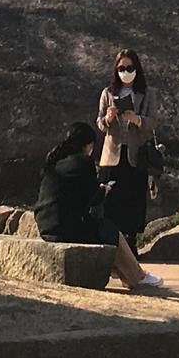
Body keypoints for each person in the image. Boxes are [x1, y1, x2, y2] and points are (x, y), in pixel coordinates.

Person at [33, 122, 162, 292]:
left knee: (101, 229)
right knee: (110, 231)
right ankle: (138, 277)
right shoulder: (83, 162)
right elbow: (91, 199)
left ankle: (125, 274)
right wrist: (103, 191)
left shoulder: (54, 162)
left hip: (45, 224)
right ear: (88, 145)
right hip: (65, 226)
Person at [95, 48, 159, 257]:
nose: (125, 72)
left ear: (137, 68)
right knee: (110, 200)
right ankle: (111, 242)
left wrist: (137, 119)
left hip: (136, 154)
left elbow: (153, 122)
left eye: (129, 68)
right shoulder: (108, 93)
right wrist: (108, 118)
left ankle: (131, 244)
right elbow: (100, 123)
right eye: (121, 68)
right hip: (112, 154)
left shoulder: (147, 94)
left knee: (134, 198)